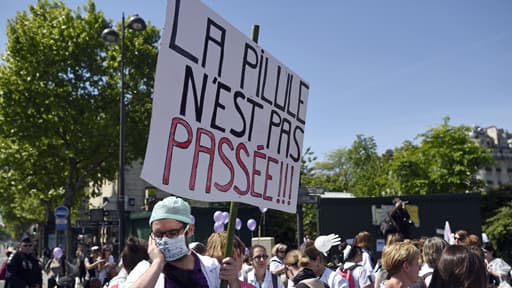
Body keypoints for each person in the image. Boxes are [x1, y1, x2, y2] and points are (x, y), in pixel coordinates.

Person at [122, 196, 241, 287]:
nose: (165, 239)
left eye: (172, 233)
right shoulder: (145, 271)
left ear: (189, 230)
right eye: (159, 234)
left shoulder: (212, 267)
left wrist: (234, 281)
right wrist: (158, 263)